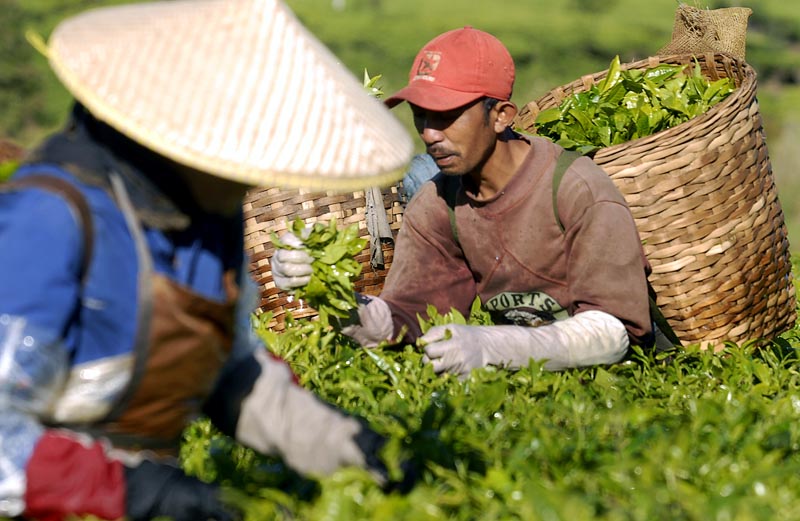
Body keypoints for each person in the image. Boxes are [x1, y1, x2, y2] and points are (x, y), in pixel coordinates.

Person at [0, 1, 413, 520]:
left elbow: (231, 370)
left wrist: (347, 447)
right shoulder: (51, 218)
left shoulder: (207, 221)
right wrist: (145, 494)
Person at [271, 26, 655, 378]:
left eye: (447, 116)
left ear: (501, 116)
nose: (430, 134)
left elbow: (615, 330)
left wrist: (494, 346)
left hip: (614, 382)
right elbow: (402, 320)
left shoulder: (576, 189)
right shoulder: (437, 203)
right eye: (421, 116)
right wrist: (328, 292)